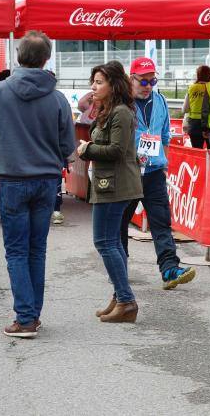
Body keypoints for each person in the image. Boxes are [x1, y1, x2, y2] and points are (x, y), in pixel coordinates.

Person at [0, 30, 75, 338]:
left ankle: (26, 317)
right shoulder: (57, 98)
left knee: (16, 250)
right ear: (46, 58)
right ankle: (33, 314)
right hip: (46, 179)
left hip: (14, 177)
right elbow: (67, 143)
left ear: (18, 56)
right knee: (37, 249)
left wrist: (1, 152)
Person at [120, 56, 196, 289]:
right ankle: (119, 267)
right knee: (120, 223)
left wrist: (162, 162)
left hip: (153, 172)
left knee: (161, 222)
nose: (148, 87)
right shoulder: (121, 104)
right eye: (143, 82)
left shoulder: (160, 100)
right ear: (130, 79)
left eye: (152, 81)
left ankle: (169, 268)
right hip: (128, 171)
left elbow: (164, 136)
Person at [76, 62, 142, 323]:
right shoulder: (108, 110)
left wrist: (87, 149)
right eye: (93, 81)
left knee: (105, 242)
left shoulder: (122, 113)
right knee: (112, 242)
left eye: (99, 82)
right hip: (109, 183)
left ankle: (126, 300)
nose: (94, 86)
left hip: (117, 185)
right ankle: (119, 297)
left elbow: (117, 150)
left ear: (113, 85)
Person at [181, 65, 210, 149]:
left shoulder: (192, 88)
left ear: (198, 75)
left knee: (197, 153)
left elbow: (185, 109)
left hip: (194, 124)